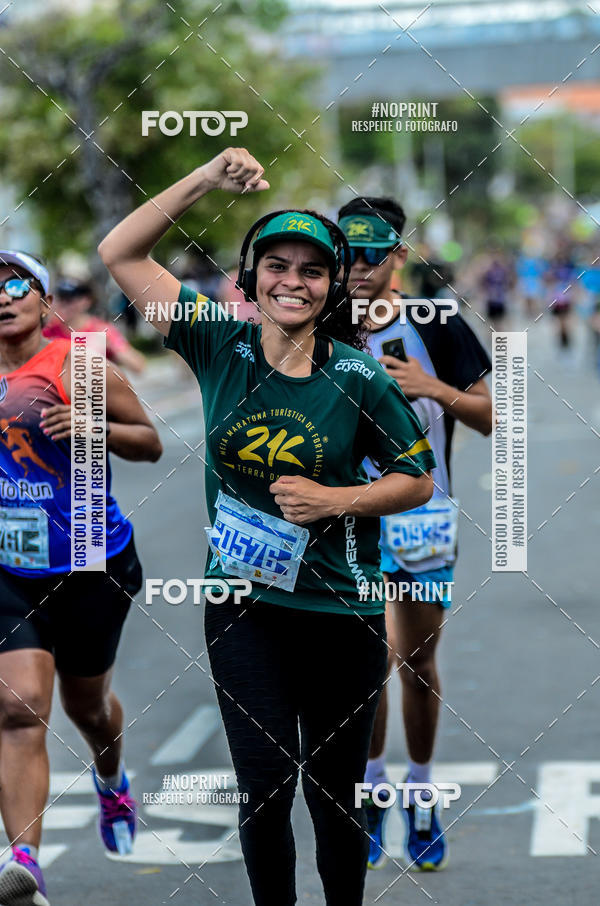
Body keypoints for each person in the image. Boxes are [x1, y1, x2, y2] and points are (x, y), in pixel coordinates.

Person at [98, 147, 437, 906]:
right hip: (241, 608)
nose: (292, 280)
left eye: (311, 270)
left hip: (342, 611)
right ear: (250, 281)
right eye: (275, 265)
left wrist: (336, 502)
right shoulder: (218, 345)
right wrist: (207, 180)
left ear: (329, 286)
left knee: (334, 797)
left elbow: (416, 478)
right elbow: (119, 251)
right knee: (263, 789)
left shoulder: (358, 377)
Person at [0, 250, 162, 906]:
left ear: (44, 303)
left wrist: (92, 426)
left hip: (92, 562)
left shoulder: (81, 367)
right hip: (10, 566)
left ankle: (111, 778)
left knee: (86, 707)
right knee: (17, 705)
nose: (3, 297)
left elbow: (149, 441)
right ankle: (24, 864)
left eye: (17, 284)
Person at [338, 197, 493, 872]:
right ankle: (371, 789)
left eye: (374, 253)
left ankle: (421, 792)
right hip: (346, 515)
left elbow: (496, 417)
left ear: (399, 255)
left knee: (416, 662)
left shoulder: (437, 324)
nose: (359, 267)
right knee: (364, 662)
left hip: (424, 515)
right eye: (348, 253)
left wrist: (434, 387)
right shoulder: (321, 325)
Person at [43, 278, 147, 374]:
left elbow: (138, 366)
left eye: (70, 300)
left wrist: (112, 346)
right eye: (60, 299)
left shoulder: (101, 330)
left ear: (87, 301)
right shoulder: (47, 331)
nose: (64, 304)